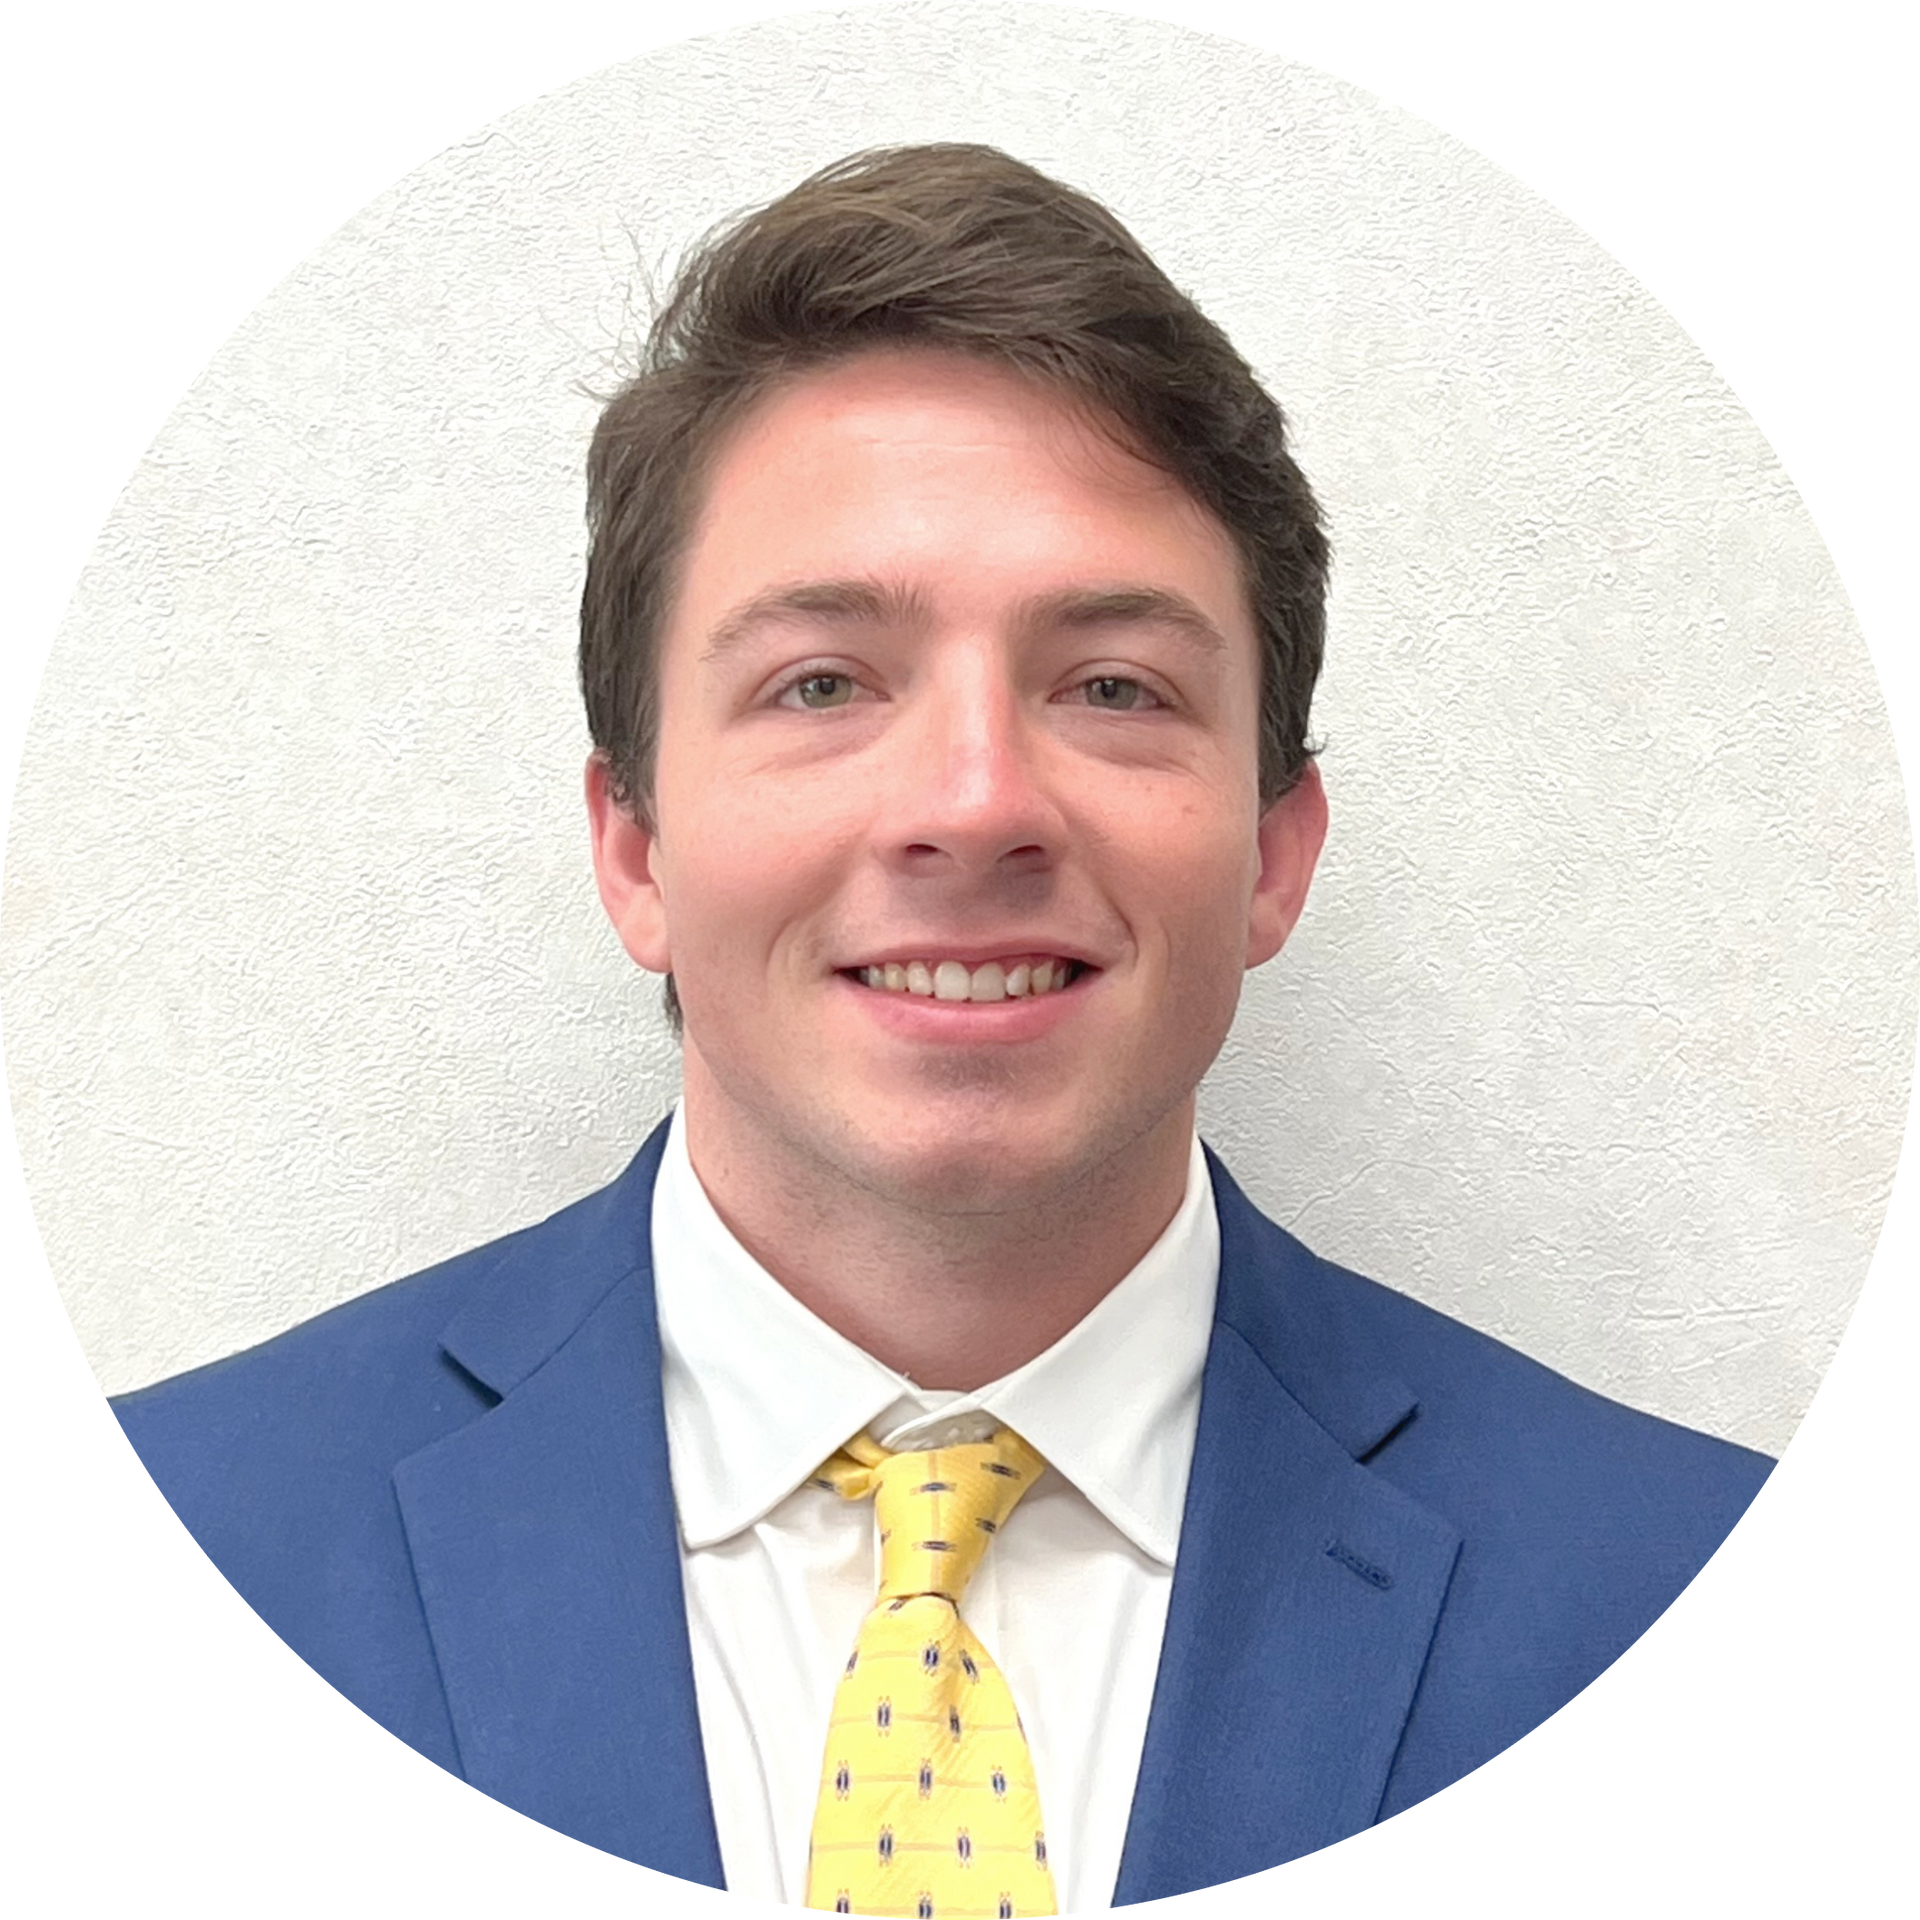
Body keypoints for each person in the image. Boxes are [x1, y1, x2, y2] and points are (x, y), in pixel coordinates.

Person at [106, 144, 1775, 1910]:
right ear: (636, 847)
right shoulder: (212, 1521)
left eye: (1114, 688)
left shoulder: (1658, 1568)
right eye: (821, 682)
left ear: (1276, 856)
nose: (975, 804)